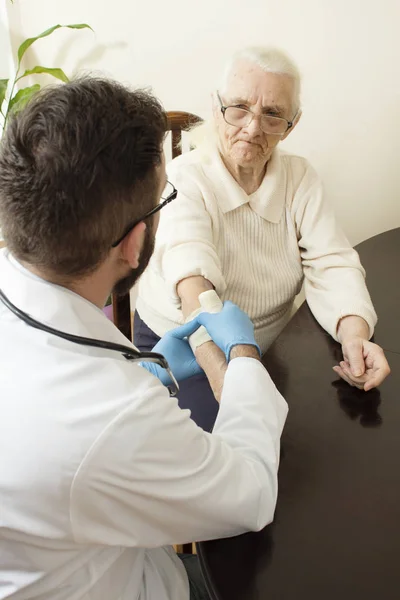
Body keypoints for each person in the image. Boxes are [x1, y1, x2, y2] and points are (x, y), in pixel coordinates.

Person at [0, 78, 288, 600]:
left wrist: (146, 367)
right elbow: (249, 495)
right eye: (162, 202)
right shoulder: (113, 416)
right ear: (134, 243)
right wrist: (244, 356)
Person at [135, 46, 390, 431]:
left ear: (292, 123)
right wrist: (228, 378)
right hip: (186, 344)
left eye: (272, 114)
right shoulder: (186, 178)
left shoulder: (299, 178)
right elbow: (194, 290)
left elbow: (331, 263)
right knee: (228, 452)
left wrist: (356, 336)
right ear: (216, 105)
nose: (252, 128)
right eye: (238, 107)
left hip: (268, 344)